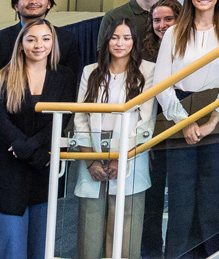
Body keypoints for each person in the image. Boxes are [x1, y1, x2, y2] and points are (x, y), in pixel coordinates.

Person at [0, 0, 81, 259]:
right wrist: (18, 145)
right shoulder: (4, 73)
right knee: (7, 239)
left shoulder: (64, 75)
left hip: (44, 161)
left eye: (46, 39)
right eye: (32, 39)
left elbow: (67, 111)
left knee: (40, 243)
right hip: (7, 157)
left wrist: (39, 147)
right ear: (20, 44)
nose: (39, 44)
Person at [153, 0, 219, 259]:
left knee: (212, 194)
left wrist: (213, 120)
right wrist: (184, 122)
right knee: (181, 195)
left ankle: (212, 254)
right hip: (179, 113)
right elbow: (161, 84)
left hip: (218, 113)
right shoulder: (174, 32)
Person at [74, 19, 157, 259]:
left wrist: (122, 158)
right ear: (106, 40)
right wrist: (91, 160)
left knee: (126, 230)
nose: (120, 43)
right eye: (114, 38)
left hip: (131, 154)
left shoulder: (148, 70)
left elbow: (146, 120)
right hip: (92, 152)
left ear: (135, 41)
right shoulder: (90, 71)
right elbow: (79, 116)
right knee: (89, 229)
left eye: (126, 38)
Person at [139, 0, 179, 259]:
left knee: (179, 197)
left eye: (168, 19)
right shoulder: (141, 52)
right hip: (152, 134)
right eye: (157, 20)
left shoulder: (188, 45)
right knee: (151, 200)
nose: (162, 25)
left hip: (180, 130)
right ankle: (151, 253)